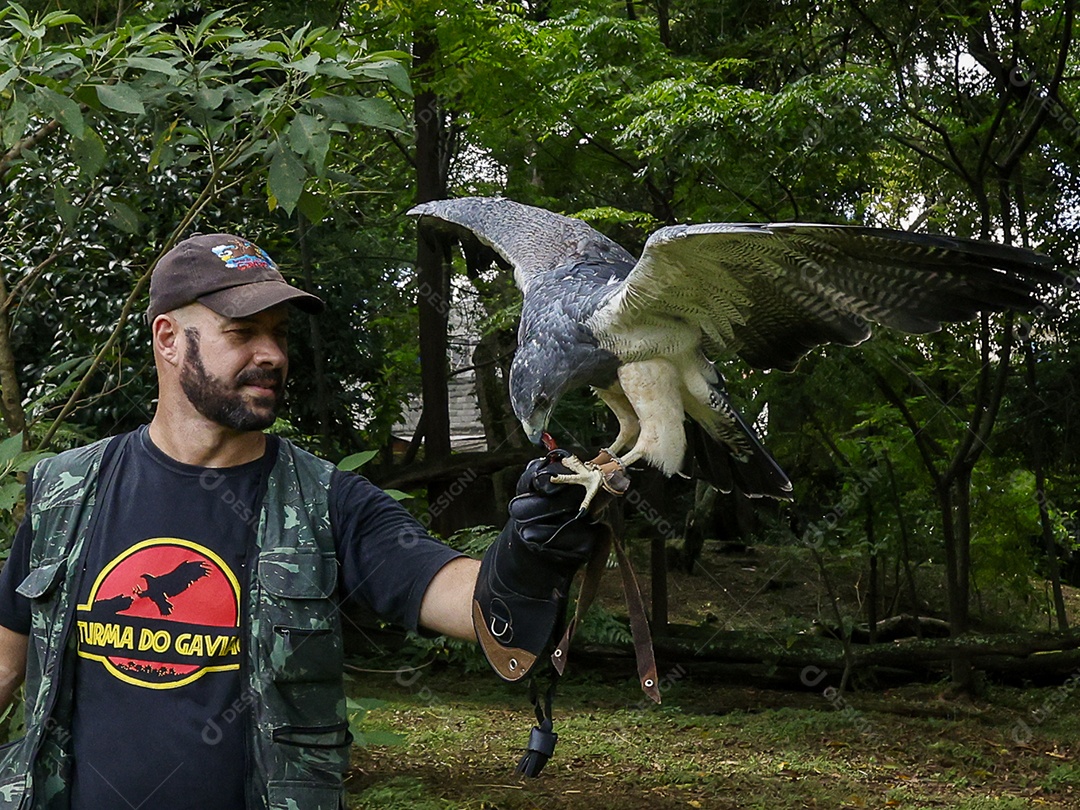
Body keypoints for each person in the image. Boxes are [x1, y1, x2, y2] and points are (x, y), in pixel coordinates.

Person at [0, 233, 605, 810]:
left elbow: (464, 598)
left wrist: (529, 552)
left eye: (280, 334)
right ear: (167, 338)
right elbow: (6, 662)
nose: (272, 354)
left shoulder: (328, 502)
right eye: (243, 333)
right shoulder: (68, 492)